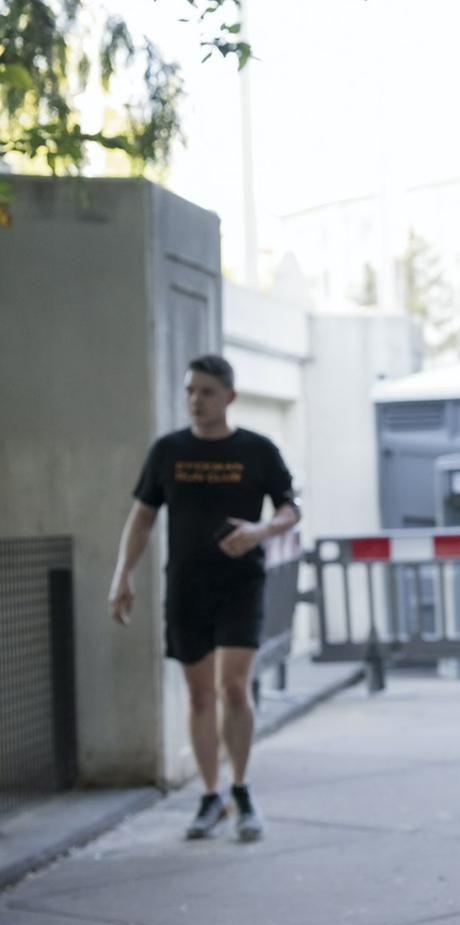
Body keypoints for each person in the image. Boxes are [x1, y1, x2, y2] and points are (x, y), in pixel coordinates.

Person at [109, 355, 300, 842]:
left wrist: (260, 531)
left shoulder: (257, 450)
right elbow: (143, 517)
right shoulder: (167, 451)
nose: (196, 400)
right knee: (198, 694)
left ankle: (241, 788)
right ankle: (210, 795)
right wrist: (122, 574)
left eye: (208, 392)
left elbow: (289, 510)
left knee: (233, 688)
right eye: (191, 390)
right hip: (187, 586)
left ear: (229, 397)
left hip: (241, 585)